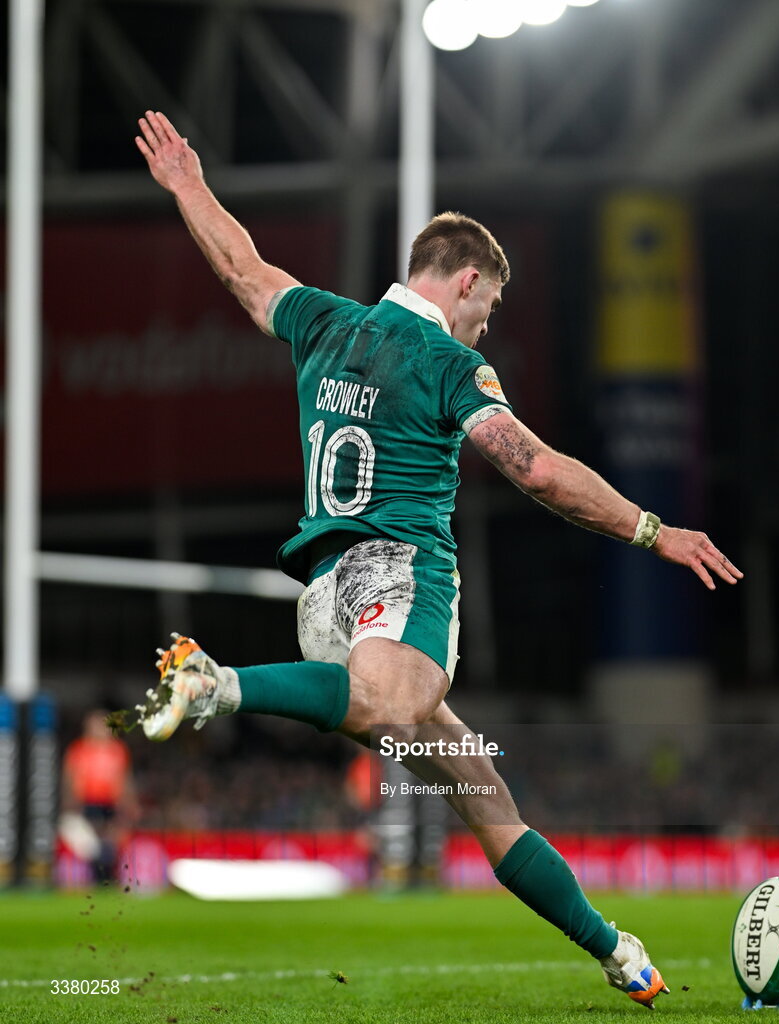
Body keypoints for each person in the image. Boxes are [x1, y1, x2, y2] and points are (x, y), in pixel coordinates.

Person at [126, 110, 743, 1009]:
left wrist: (190, 187)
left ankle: (616, 951)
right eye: (485, 310)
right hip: (397, 577)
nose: (483, 329)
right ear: (463, 282)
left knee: (482, 791)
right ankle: (216, 684)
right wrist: (653, 530)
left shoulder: (326, 323)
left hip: (324, 602)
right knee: (387, 704)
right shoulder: (445, 360)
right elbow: (535, 470)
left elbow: (243, 269)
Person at [62, 708, 139, 882]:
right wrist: (71, 802)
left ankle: (109, 879)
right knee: (90, 845)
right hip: (87, 803)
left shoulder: (118, 750)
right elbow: (70, 778)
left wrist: (129, 803)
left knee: (111, 844)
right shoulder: (79, 749)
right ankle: (95, 878)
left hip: (110, 804)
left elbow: (124, 779)